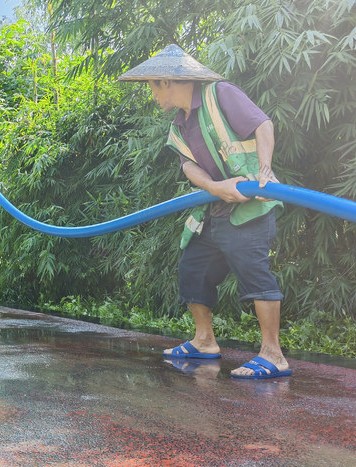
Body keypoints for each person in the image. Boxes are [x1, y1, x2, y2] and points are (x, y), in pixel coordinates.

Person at [119, 44, 291, 379]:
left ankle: (274, 354)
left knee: (254, 274)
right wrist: (215, 187)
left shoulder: (220, 94)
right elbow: (188, 167)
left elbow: (262, 125)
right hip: (214, 208)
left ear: (167, 81)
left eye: (153, 87)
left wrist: (265, 171)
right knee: (193, 268)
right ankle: (204, 341)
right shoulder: (179, 125)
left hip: (251, 204)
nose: (153, 95)